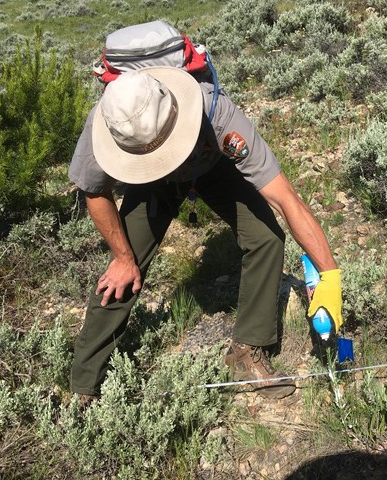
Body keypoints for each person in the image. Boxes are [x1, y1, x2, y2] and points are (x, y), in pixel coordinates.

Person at [68, 65, 342, 400]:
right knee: (123, 273)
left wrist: (330, 276)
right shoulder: (104, 125)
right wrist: (123, 257)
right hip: (150, 180)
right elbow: (94, 191)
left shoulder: (217, 113)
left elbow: (285, 200)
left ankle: (246, 350)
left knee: (267, 238)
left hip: (210, 163)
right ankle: (84, 386)